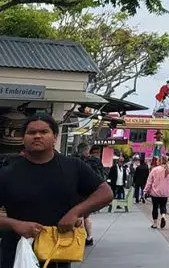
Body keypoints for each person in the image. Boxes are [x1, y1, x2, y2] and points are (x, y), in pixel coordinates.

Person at [0, 114, 114, 268]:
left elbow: (105, 192)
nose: (37, 136)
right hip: (16, 253)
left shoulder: (73, 167)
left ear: (54, 137)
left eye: (43, 132)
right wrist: (15, 224)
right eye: (31, 133)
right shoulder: (7, 173)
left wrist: (75, 212)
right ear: (23, 138)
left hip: (58, 253)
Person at [78, 144, 105, 246]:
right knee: (86, 216)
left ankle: (81, 237)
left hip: (80, 191)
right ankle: (89, 237)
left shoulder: (76, 161)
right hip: (90, 191)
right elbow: (101, 176)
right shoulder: (95, 161)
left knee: (80, 215)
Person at [144, 155, 169, 229]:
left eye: (157, 160)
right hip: (165, 192)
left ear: (160, 161)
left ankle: (155, 224)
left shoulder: (154, 169)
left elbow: (149, 181)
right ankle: (163, 216)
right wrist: (168, 182)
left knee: (155, 207)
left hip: (155, 192)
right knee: (163, 206)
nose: (156, 161)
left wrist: (145, 190)